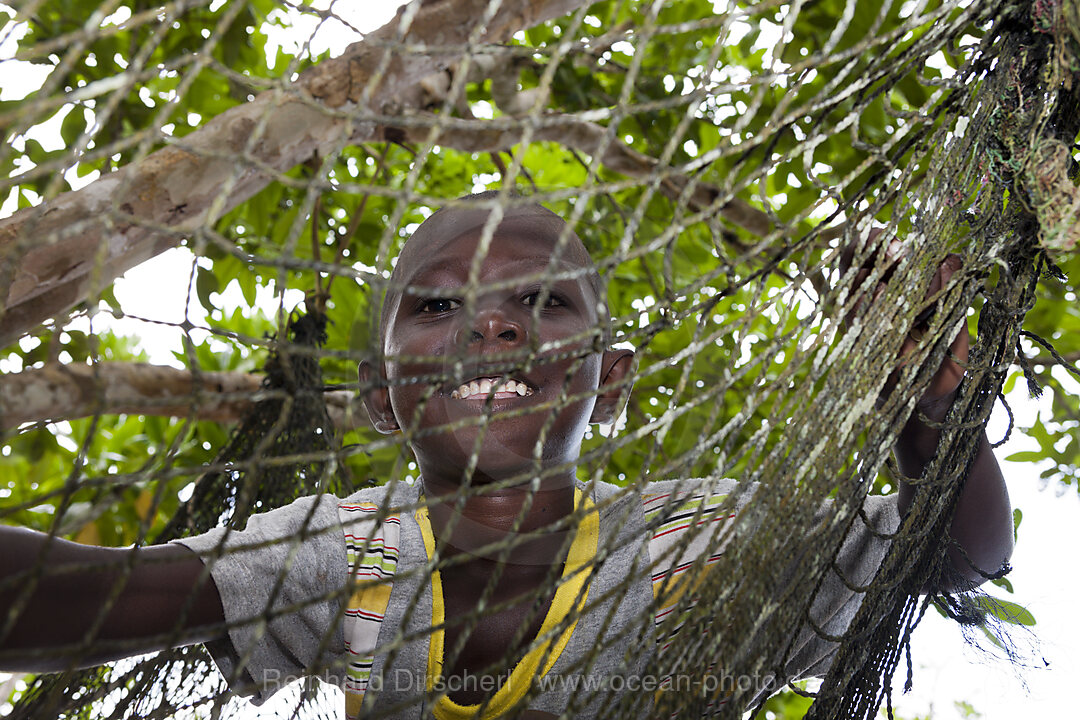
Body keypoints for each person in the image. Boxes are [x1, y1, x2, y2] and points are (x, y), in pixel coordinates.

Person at [0, 195, 1014, 718]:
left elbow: (957, 561)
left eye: (542, 302)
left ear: (609, 382)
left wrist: (927, 402)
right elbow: (78, 597)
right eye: (438, 306)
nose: (493, 326)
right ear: (384, 399)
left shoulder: (695, 542)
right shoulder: (339, 553)